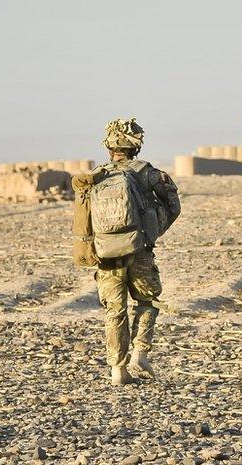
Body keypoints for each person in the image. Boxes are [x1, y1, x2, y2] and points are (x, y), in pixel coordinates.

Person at [72, 118, 181, 385]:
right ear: (137, 147)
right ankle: (140, 355)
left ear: (109, 147)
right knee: (147, 301)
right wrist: (151, 230)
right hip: (139, 250)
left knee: (114, 310)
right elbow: (173, 205)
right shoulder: (148, 173)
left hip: (107, 253)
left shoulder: (96, 175)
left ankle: (117, 370)